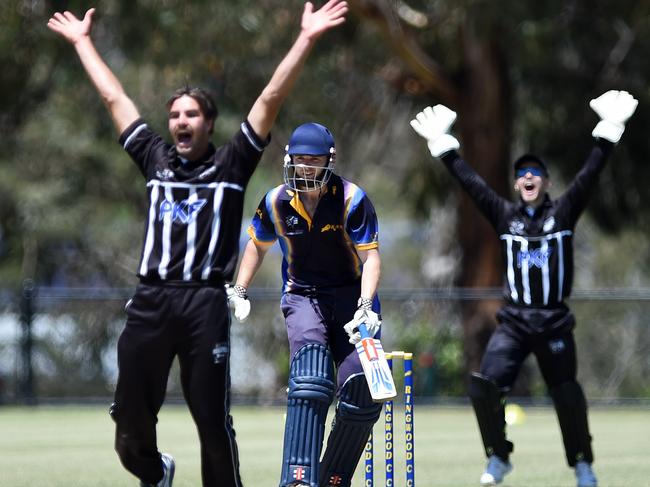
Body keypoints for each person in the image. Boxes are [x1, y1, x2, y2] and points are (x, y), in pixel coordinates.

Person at [46, 3, 348, 487]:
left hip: (204, 303)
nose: (180, 121)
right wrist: (83, 42)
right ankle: (154, 470)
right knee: (128, 418)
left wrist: (306, 38)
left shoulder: (233, 164)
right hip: (150, 301)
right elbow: (113, 98)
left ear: (208, 123)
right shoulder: (154, 157)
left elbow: (271, 96)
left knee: (211, 421)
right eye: (174, 115)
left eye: (191, 114)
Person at [410, 90, 637, 487]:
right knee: (485, 387)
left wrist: (609, 132)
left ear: (546, 182)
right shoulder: (504, 216)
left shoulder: (563, 213)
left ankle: (582, 464)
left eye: (535, 172)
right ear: (517, 184)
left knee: (567, 395)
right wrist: (443, 147)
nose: (528, 177)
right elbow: (472, 185)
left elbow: (589, 177)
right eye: (522, 173)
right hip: (513, 323)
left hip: (553, 322)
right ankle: (499, 458)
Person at [227, 122, 383, 487]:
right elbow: (257, 245)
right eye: (299, 161)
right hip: (303, 295)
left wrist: (365, 307)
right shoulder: (276, 201)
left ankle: (333, 477)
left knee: (361, 388)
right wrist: (240, 289)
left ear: (329, 161)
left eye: (313, 161)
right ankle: (298, 479)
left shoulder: (351, 199)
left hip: (351, 297)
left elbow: (371, 258)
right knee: (311, 378)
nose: (306, 168)